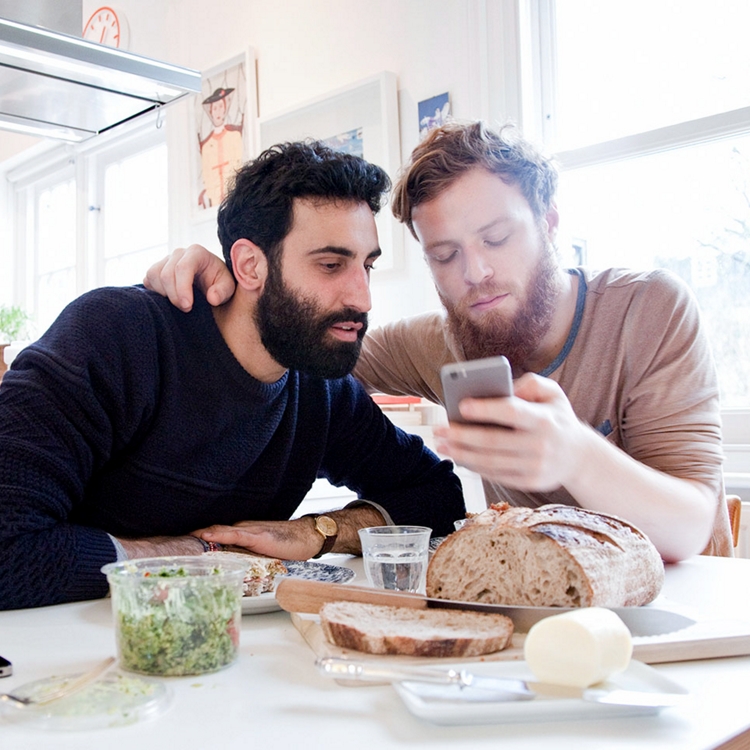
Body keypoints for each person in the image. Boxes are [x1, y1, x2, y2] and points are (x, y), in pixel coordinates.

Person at [145, 121, 732, 562]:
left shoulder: (648, 309)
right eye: (444, 255)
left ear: (549, 222)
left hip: (688, 615)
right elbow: (293, 350)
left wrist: (577, 454)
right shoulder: (440, 341)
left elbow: (691, 527)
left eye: (497, 238)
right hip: (547, 605)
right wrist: (230, 285)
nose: (474, 272)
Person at [0, 142, 465, 611]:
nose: (362, 298)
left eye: (367, 265)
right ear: (250, 265)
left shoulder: (321, 389)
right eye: (330, 265)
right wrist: (196, 555)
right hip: (61, 653)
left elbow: (437, 495)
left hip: (224, 651)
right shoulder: (116, 336)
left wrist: (318, 532)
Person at [199, 87, 244, 208]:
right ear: (211, 111)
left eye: (220, 107)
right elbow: (207, 179)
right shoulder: (207, 147)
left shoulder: (234, 136)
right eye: (215, 108)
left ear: (225, 109)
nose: (218, 112)